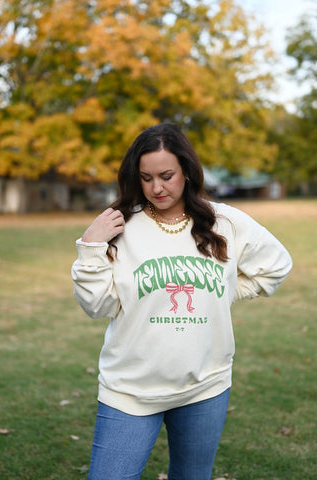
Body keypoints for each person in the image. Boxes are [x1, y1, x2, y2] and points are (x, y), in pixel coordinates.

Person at [71, 123, 292, 480]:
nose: (156, 187)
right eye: (146, 178)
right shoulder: (121, 227)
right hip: (130, 390)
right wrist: (91, 247)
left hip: (205, 387)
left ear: (187, 171)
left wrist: (224, 293)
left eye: (166, 175)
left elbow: (277, 265)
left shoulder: (225, 222)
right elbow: (97, 306)